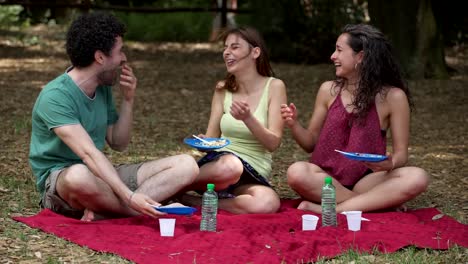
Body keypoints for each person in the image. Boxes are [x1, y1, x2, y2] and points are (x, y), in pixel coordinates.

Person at [28, 12, 199, 221]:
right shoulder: (55, 96)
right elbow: (89, 154)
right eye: (120, 51)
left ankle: (108, 212)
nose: (124, 58)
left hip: (102, 174)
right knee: (78, 175)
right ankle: (135, 209)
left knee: (186, 165)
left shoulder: (102, 88)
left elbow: (118, 143)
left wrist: (128, 100)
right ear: (100, 57)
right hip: (62, 181)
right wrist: (129, 196)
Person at [281, 24, 429, 213]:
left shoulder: (393, 97)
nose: (333, 56)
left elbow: (401, 154)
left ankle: (329, 209)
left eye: (339, 50)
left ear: (361, 57)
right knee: (296, 172)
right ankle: (373, 203)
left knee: (418, 177)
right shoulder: (328, 90)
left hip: (367, 180)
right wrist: (293, 124)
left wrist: (390, 163)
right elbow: (310, 143)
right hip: (325, 180)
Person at [182, 27, 287, 214]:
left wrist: (248, 118)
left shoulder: (275, 86)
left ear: (255, 52)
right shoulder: (223, 89)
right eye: (225, 48)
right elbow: (212, 137)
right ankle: (174, 184)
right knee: (231, 167)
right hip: (223, 167)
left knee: (268, 203)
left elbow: (273, 143)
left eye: (235, 47)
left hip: (252, 173)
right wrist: (204, 142)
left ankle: (190, 200)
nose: (227, 52)